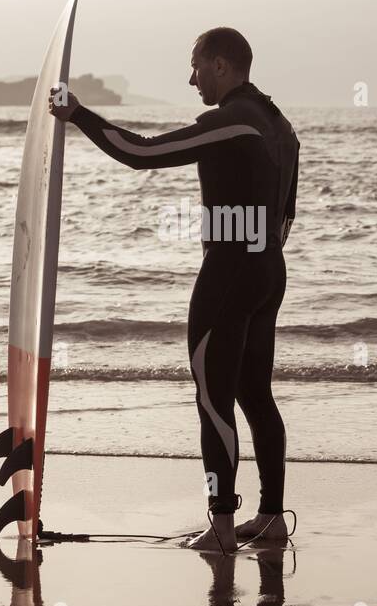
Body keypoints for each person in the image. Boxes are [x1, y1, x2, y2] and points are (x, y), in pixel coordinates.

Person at [48, 27, 299, 552]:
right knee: (256, 395)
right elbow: (286, 214)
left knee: (213, 402)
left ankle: (222, 526)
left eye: (198, 66)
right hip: (269, 270)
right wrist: (259, 254)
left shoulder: (231, 122)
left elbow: (139, 153)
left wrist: (79, 115)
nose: (192, 79)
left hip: (229, 274)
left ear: (223, 66)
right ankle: (272, 517)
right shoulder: (280, 125)